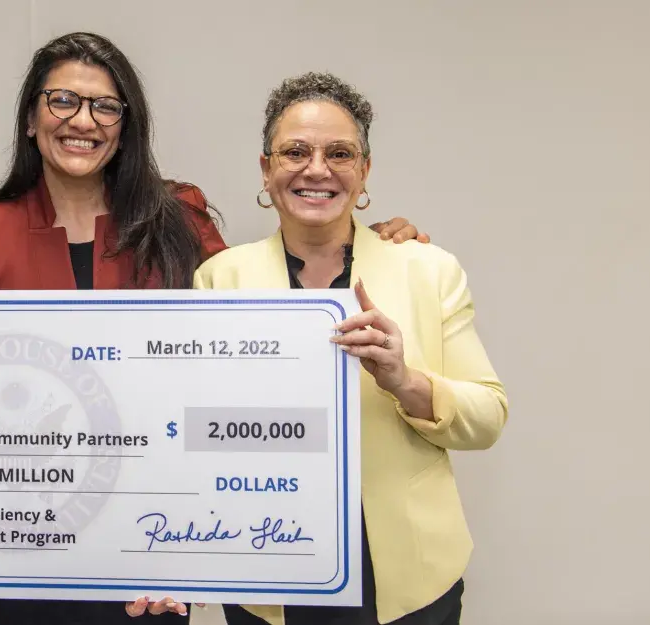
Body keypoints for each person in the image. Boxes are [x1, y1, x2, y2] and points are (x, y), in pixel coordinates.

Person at [0, 33, 428, 625]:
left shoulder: (178, 215)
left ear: (126, 124)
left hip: (157, 540)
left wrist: (368, 241)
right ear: (30, 116)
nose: (84, 121)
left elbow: (259, 316)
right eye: (62, 101)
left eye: (105, 106)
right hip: (29, 535)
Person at [185, 72, 509, 625]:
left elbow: (487, 418)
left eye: (340, 153)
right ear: (266, 169)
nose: (317, 169)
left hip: (407, 574)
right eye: (295, 152)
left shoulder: (429, 270)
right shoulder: (221, 279)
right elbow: (193, 434)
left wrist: (404, 380)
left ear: (364, 172)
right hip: (268, 566)